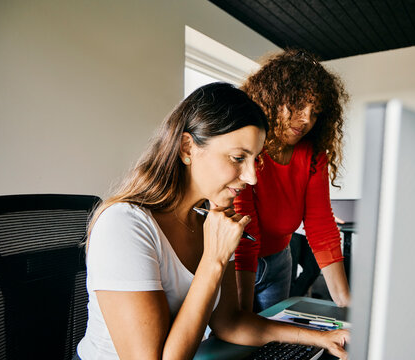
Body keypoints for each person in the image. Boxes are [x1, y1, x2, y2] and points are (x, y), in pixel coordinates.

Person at [74, 82, 349, 360]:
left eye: (256, 160)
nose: (252, 177)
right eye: (238, 158)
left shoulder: (210, 219)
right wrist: (214, 260)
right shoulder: (124, 226)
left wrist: (321, 338)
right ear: (187, 148)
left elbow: (229, 322)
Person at [234, 49, 351, 313]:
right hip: (236, 264)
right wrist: (241, 317)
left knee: (275, 345)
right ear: (272, 99)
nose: (307, 119)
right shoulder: (248, 148)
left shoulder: (313, 155)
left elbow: (321, 225)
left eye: (316, 111)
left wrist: (347, 303)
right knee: (241, 344)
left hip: (280, 260)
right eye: (298, 106)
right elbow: (245, 232)